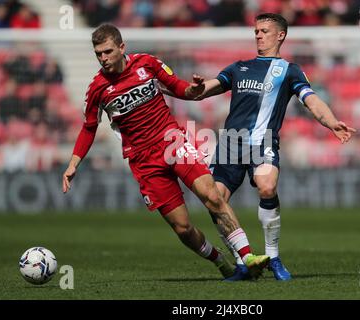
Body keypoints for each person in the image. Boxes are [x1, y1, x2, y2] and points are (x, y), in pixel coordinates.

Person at [62, 23, 270, 280]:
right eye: (98, 54)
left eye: (107, 51)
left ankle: (248, 256)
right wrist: (73, 164)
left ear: (121, 47)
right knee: (183, 228)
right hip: (143, 161)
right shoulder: (97, 88)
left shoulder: (147, 64)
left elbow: (177, 87)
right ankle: (220, 261)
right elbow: (88, 128)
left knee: (212, 195)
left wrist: (193, 90)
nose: (103, 58)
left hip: (172, 142)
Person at [194, 13, 357, 281]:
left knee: (267, 186)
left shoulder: (289, 70)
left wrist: (331, 123)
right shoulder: (239, 67)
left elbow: (312, 101)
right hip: (231, 142)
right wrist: (188, 88)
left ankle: (273, 256)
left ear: (280, 35)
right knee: (215, 201)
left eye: (264, 30)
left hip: (263, 140)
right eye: (256, 30)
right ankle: (243, 262)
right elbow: (208, 88)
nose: (258, 35)